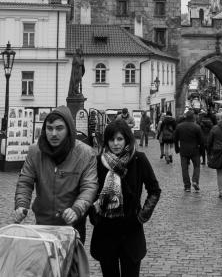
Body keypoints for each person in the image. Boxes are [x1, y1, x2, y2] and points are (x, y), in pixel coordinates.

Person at [14, 105, 97, 243]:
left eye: (59, 128)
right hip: (43, 223)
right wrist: (21, 204)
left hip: (72, 225)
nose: (53, 133)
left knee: (71, 264)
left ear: (69, 130)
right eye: (49, 128)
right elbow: (25, 181)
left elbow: (89, 186)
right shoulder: (35, 151)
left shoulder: (86, 153)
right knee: (45, 263)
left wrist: (76, 209)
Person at [90, 120, 161, 277]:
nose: (115, 143)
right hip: (106, 230)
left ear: (127, 139)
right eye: (111, 139)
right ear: (106, 141)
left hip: (131, 230)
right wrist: (94, 215)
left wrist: (142, 215)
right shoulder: (98, 162)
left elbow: (154, 190)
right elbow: (90, 191)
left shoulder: (138, 159)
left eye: (120, 139)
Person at [174, 109, 204, 192]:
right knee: (197, 166)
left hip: (183, 150)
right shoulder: (197, 127)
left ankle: (187, 186)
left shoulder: (179, 126)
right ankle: (195, 181)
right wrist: (202, 151)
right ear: (193, 117)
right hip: (195, 150)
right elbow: (201, 141)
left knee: (184, 168)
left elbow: (175, 139)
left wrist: (177, 149)